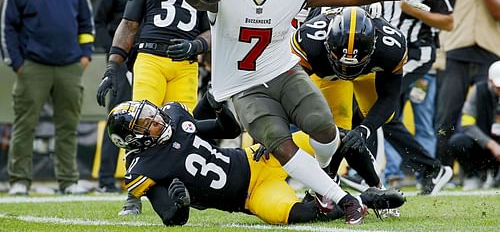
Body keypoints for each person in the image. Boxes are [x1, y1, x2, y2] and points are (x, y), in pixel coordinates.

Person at [179, 0, 443, 224]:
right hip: (245, 85)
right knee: (280, 144)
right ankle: (342, 198)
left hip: (283, 70)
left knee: (325, 128)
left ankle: (324, 186)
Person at [106, 93, 406, 225]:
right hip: (250, 196)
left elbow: (228, 130)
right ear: (137, 139)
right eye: (146, 124)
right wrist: (180, 202)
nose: (156, 119)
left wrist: (216, 107)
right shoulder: (145, 168)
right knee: (291, 216)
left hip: (256, 158)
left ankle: (374, 183)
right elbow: (173, 219)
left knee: (331, 135)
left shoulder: (174, 119)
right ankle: (363, 201)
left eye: (149, 114)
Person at [96, 0, 212, 216]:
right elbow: (130, 22)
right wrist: (113, 65)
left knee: (182, 130)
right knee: (140, 126)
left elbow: (212, 31)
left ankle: (175, 189)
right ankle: (133, 195)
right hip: (149, 58)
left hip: (186, 64)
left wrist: (197, 44)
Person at [0, 0, 94, 195]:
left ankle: (68, 181)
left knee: (68, 127)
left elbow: (86, 24)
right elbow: (7, 28)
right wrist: (17, 62)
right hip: (33, 67)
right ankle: (19, 181)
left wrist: (85, 54)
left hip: (70, 67)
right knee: (24, 126)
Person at [371, 0, 454, 194]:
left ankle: (374, 172)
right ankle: (429, 170)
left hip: (417, 54)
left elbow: (448, 22)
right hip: (386, 57)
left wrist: (414, 11)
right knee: (385, 115)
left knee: (381, 110)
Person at [289, 6, 407, 192]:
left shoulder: (390, 47)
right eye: (341, 61)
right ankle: (330, 181)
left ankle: (359, 125)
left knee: (382, 115)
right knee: (336, 131)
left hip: (368, 70)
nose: (346, 72)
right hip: (328, 73)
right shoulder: (310, 41)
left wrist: (364, 129)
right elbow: (288, 90)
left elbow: (389, 98)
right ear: (327, 42)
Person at [93, 0, 157, 193]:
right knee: (118, 117)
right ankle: (106, 180)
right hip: (123, 62)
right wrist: (115, 57)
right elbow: (99, 22)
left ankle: (154, 176)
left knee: (153, 119)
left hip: (153, 60)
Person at [430, 0, 500, 168]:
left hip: (489, 59)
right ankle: (443, 168)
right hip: (456, 56)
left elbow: (497, 13)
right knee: (446, 116)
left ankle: (483, 169)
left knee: (485, 117)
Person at [448, 61, 500, 190]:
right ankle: (473, 176)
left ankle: (495, 177)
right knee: (458, 141)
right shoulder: (478, 91)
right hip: (483, 144)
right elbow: (466, 124)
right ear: (490, 81)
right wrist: (490, 144)